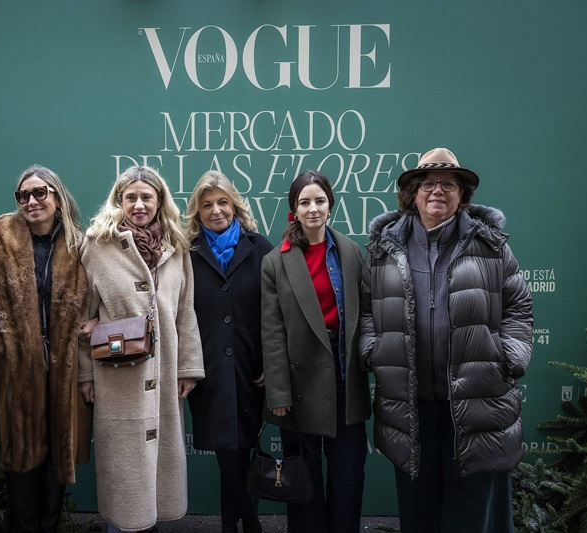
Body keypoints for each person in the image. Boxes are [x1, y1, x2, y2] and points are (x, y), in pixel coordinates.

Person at [359, 148, 533, 533]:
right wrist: (373, 351)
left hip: (477, 399)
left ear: (462, 195)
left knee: (471, 514)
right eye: (428, 183)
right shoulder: (385, 249)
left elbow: (518, 305)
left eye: (448, 184)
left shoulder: (491, 244)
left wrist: (511, 355)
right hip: (411, 402)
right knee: (418, 513)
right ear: (413, 193)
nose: (438, 191)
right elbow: (368, 309)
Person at [78, 165, 205, 533]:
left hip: (164, 374)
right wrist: (85, 374)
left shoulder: (176, 248)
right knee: (125, 472)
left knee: (158, 469)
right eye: (130, 197)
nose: (138, 204)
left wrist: (188, 368)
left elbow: (185, 311)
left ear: (159, 201)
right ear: (118, 200)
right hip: (116, 377)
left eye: (146, 197)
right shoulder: (96, 245)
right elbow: (81, 317)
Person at [0, 165, 89, 532]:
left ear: (57, 196)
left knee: (55, 451)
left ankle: (49, 525)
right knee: (19, 452)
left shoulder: (81, 246)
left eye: (40, 192)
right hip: (15, 368)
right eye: (23, 195)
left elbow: (96, 303)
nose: (31, 201)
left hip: (64, 368)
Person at [261, 170, 371, 532]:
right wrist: (277, 391)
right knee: (304, 480)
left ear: (330, 205)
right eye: (304, 202)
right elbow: (273, 331)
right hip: (298, 383)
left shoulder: (352, 251)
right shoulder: (276, 261)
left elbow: (366, 313)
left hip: (344, 378)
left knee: (348, 476)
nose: (313, 209)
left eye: (319, 201)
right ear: (294, 208)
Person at [185, 171, 273, 533]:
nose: (216, 210)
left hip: (251, 369)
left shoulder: (261, 248)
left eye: (223, 202)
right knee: (226, 450)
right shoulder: (187, 254)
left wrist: (272, 363)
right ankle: (250, 525)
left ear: (235, 206)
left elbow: (275, 313)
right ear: (197, 212)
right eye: (207, 205)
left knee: (243, 451)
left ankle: (229, 526)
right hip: (207, 369)